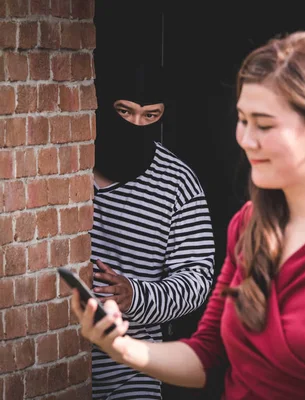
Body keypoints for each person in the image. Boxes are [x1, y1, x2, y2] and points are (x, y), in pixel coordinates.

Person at [74, 31, 305, 399]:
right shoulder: (249, 224)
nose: (245, 138)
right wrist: (121, 346)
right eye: (243, 119)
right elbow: (206, 357)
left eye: (265, 124)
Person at [90, 63, 215, 399]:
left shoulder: (178, 184)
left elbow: (197, 278)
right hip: (50, 357)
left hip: (130, 370)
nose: (135, 124)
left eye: (150, 115)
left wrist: (135, 295)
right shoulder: (64, 163)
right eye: (124, 111)